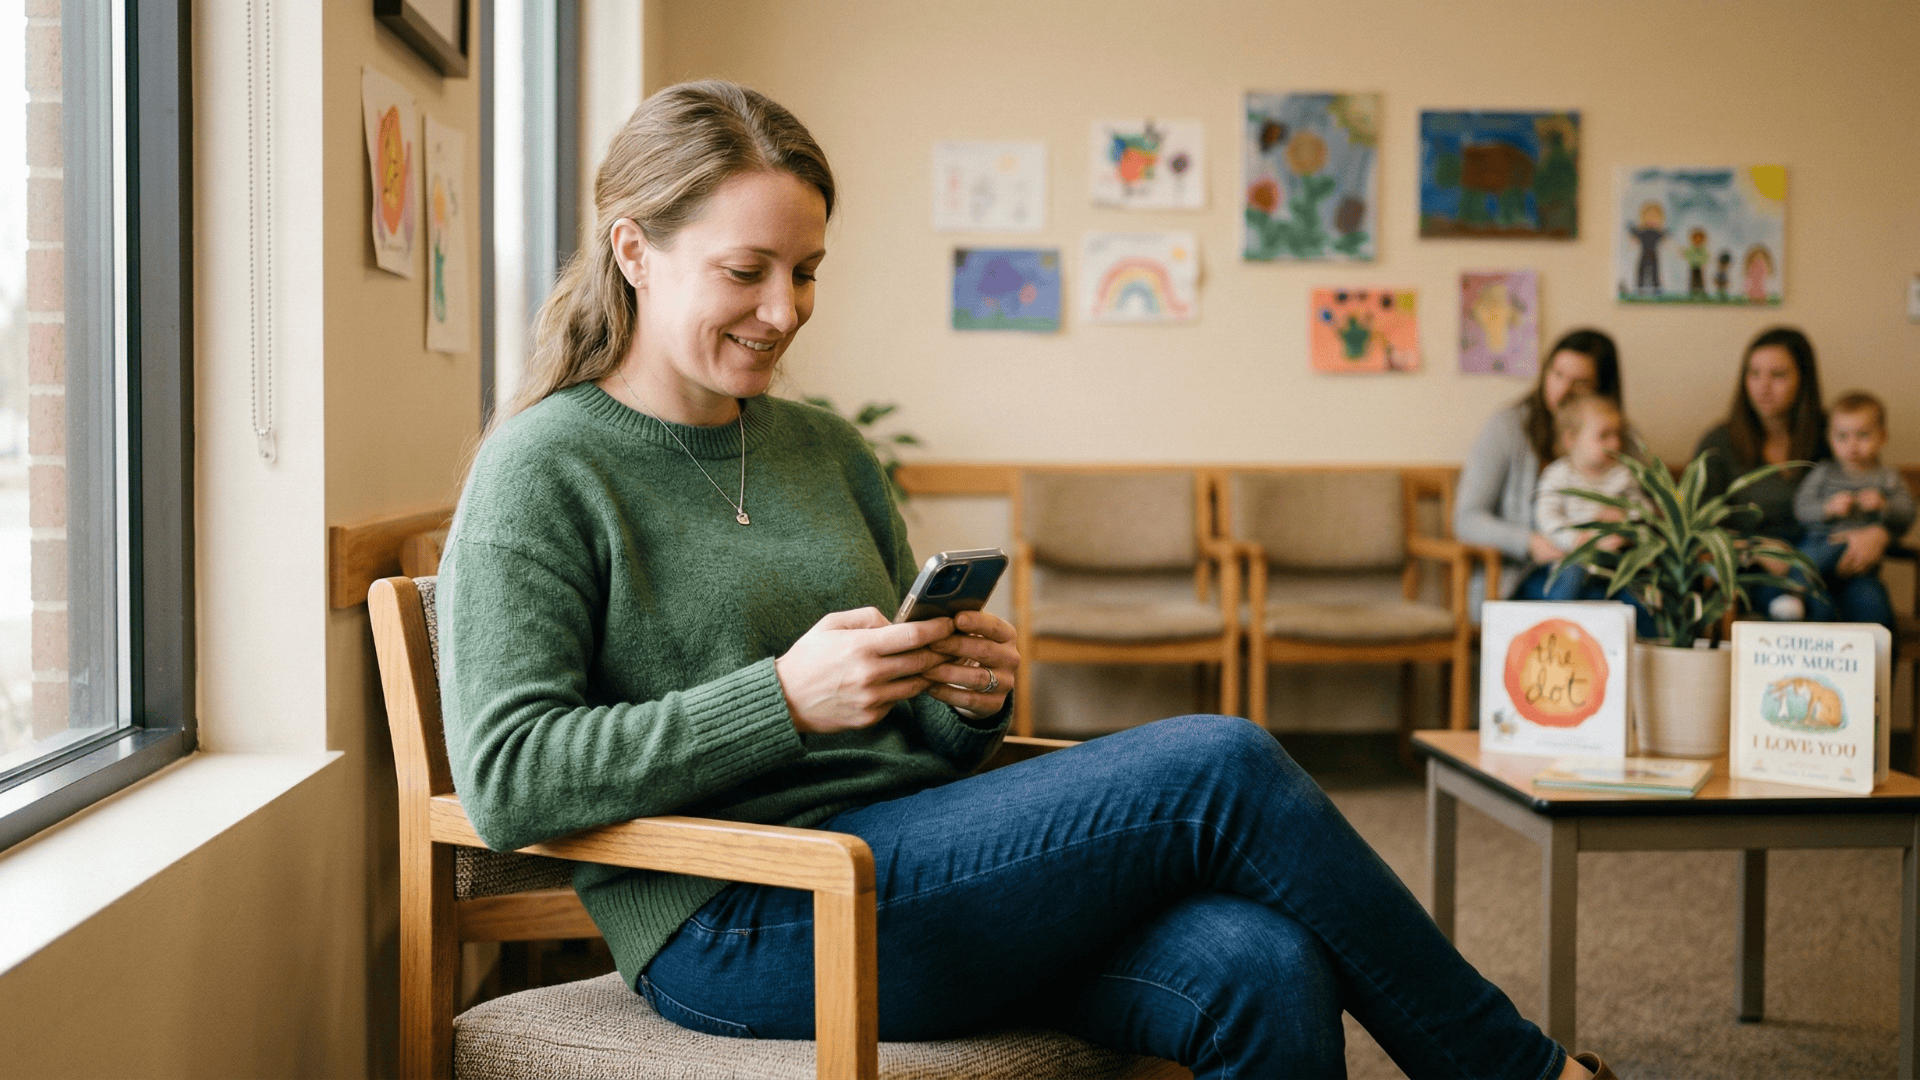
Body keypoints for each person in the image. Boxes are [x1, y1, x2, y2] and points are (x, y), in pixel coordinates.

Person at [437, 81, 1608, 1080]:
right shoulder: (544, 466)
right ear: (634, 248)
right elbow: (508, 779)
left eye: (807, 270)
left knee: (1264, 965)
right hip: (742, 917)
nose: (785, 311)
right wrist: (783, 699)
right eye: (748, 271)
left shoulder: (826, 449)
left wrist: (964, 701)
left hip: (916, 865)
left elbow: (913, 736)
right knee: (1223, 764)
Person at [1455, 328, 1623, 616]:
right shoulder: (1508, 427)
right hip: (1523, 576)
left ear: (1602, 388)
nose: (1563, 391)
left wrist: (1623, 522)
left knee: (1629, 606)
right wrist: (1529, 543)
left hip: (1602, 574)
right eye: (1557, 375)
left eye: (1580, 382)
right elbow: (1466, 519)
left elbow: (1645, 511)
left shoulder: (1615, 440)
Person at [1694, 326, 1830, 620]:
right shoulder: (1720, 441)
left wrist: (1875, 532)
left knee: (1871, 606)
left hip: (1825, 561)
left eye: (1777, 375)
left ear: (1803, 380)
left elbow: (1866, 488)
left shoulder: (1832, 434)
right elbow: (1697, 526)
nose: (1762, 386)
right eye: (1753, 374)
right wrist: (1757, 549)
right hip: (1752, 570)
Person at [1790, 391, 1912, 630]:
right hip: (1821, 551)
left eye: (1863, 435)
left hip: (1861, 571)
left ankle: (1883, 665)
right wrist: (1828, 507)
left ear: (1883, 437)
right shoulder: (1823, 472)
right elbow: (1801, 508)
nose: (1852, 445)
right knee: (1817, 608)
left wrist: (1884, 506)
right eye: (1842, 436)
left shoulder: (1887, 479)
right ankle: (1794, 591)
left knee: (1877, 611)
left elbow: (1907, 515)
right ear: (1830, 438)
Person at [1535, 393, 1644, 601]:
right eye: (1604, 435)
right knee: (1569, 579)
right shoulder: (1558, 474)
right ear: (1571, 439)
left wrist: (1625, 520)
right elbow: (1546, 516)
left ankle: (1651, 633)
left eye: (1617, 435)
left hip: (1617, 557)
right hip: (1574, 557)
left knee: (1640, 586)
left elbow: (1643, 511)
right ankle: (1558, 626)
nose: (1615, 443)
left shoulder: (1622, 474)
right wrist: (1576, 539)